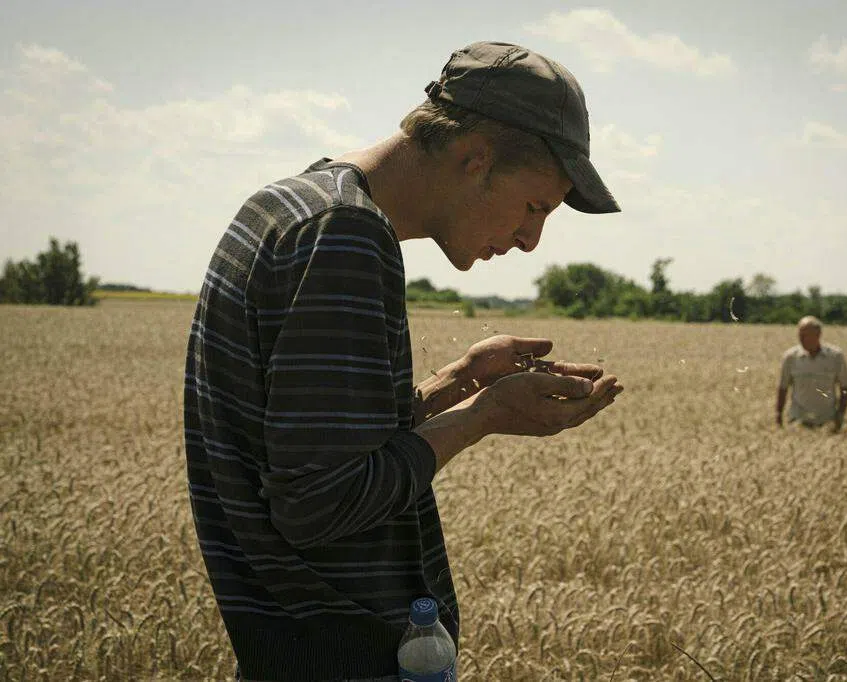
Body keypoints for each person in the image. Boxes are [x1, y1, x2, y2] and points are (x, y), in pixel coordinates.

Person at [183, 41, 625, 682]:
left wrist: (456, 382)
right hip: (344, 657)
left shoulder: (290, 205)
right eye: (536, 207)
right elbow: (320, 503)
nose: (532, 240)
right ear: (476, 159)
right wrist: (484, 415)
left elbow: (317, 448)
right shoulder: (345, 236)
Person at [775, 316, 847, 433]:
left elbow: (845, 387)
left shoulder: (835, 356)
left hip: (827, 421)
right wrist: (778, 415)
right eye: (800, 334)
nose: (801, 339)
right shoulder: (790, 357)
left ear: (818, 335)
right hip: (798, 420)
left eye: (805, 335)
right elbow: (783, 388)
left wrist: (840, 415)